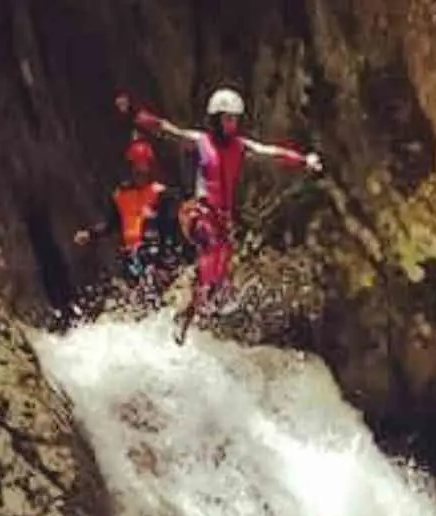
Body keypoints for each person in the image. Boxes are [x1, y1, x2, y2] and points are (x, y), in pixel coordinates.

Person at [133, 86, 323, 342]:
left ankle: (193, 310)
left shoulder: (240, 147)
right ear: (215, 119)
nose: (232, 124)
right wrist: (138, 115)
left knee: (220, 268)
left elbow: (271, 153)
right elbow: (168, 131)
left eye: (235, 119)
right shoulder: (200, 142)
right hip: (199, 213)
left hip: (221, 218)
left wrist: (303, 160)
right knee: (211, 250)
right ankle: (188, 311)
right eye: (227, 119)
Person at [73, 137, 184, 301]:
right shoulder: (121, 195)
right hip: (130, 256)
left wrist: (166, 259)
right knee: (135, 296)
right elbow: (112, 223)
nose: (140, 171)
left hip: (154, 255)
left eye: (144, 165)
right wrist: (90, 234)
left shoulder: (163, 194)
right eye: (136, 166)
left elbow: (171, 230)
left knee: (156, 294)